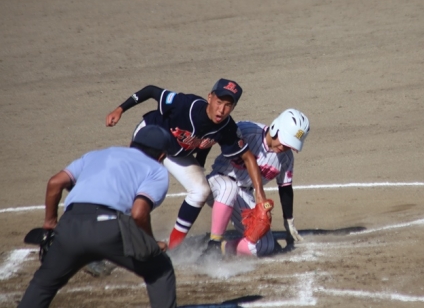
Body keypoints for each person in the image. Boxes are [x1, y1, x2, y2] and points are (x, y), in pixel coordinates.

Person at [18, 125, 177, 308]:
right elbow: (139, 212)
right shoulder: (156, 170)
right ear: (162, 156)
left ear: (131, 143)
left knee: (44, 283)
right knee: (160, 270)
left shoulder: (95, 155)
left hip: (70, 227)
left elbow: (55, 183)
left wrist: (50, 222)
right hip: (109, 231)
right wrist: (149, 243)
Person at [105, 79, 268, 250]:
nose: (221, 110)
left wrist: (260, 193)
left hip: (176, 153)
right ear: (210, 97)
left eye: (228, 105)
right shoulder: (186, 104)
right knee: (134, 189)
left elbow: (248, 157)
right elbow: (151, 90)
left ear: (233, 107)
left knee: (201, 190)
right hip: (151, 139)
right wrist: (120, 109)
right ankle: (109, 235)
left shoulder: (227, 128)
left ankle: (174, 247)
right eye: (219, 102)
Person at [206, 109, 310, 257]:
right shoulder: (247, 131)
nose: (284, 148)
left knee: (265, 245)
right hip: (218, 182)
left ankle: (220, 249)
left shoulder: (286, 158)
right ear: (275, 128)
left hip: (243, 194)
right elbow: (212, 136)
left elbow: (285, 187)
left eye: (290, 145)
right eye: (284, 141)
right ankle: (214, 242)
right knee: (229, 188)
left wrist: (289, 221)